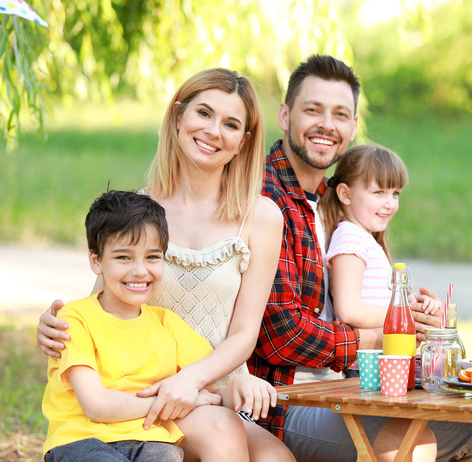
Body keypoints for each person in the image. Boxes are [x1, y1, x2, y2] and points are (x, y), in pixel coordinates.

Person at [249, 54, 472, 461]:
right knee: (408, 444)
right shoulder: (267, 198)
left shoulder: (340, 202)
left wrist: (417, 320)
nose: (327, 124)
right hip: (288, 399)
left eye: (340, 114)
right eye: (313, 110)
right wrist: (391, 333)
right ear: (285, 115)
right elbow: (283, 335)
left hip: (350, 386)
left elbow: (371, 292)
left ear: (353, 127)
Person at [37, 68, 294, 461]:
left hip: (209, 388)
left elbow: (243, 334)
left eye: (230, 124)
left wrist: (190, 381)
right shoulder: (139, 209)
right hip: (138, 389)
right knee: (220, 432)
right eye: (203, 114)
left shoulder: (260, 217)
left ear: (243, 142)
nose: (213, 131)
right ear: (178, 117)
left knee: (276, 459)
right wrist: (55, 324)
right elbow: (105, 299)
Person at [42, 190, 254, 461]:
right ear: (96, 261)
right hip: (83, 440)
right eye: (123, 257)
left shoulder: (167, 325)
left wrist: (240, 387)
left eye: (152, 257)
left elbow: (211, 392)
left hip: (150, 440)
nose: (140, 270)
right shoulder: (75, 318)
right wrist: (168, 402)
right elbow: (96, 406)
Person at [320, 144, 439, 330]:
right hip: (364, 359)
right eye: (379, 192)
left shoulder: (363, 239)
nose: (390, 204)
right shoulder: (350, 238)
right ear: (345, 194)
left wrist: (411, 302)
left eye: (395, 194)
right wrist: (405, 315)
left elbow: (376, 300)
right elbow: (348, 310)